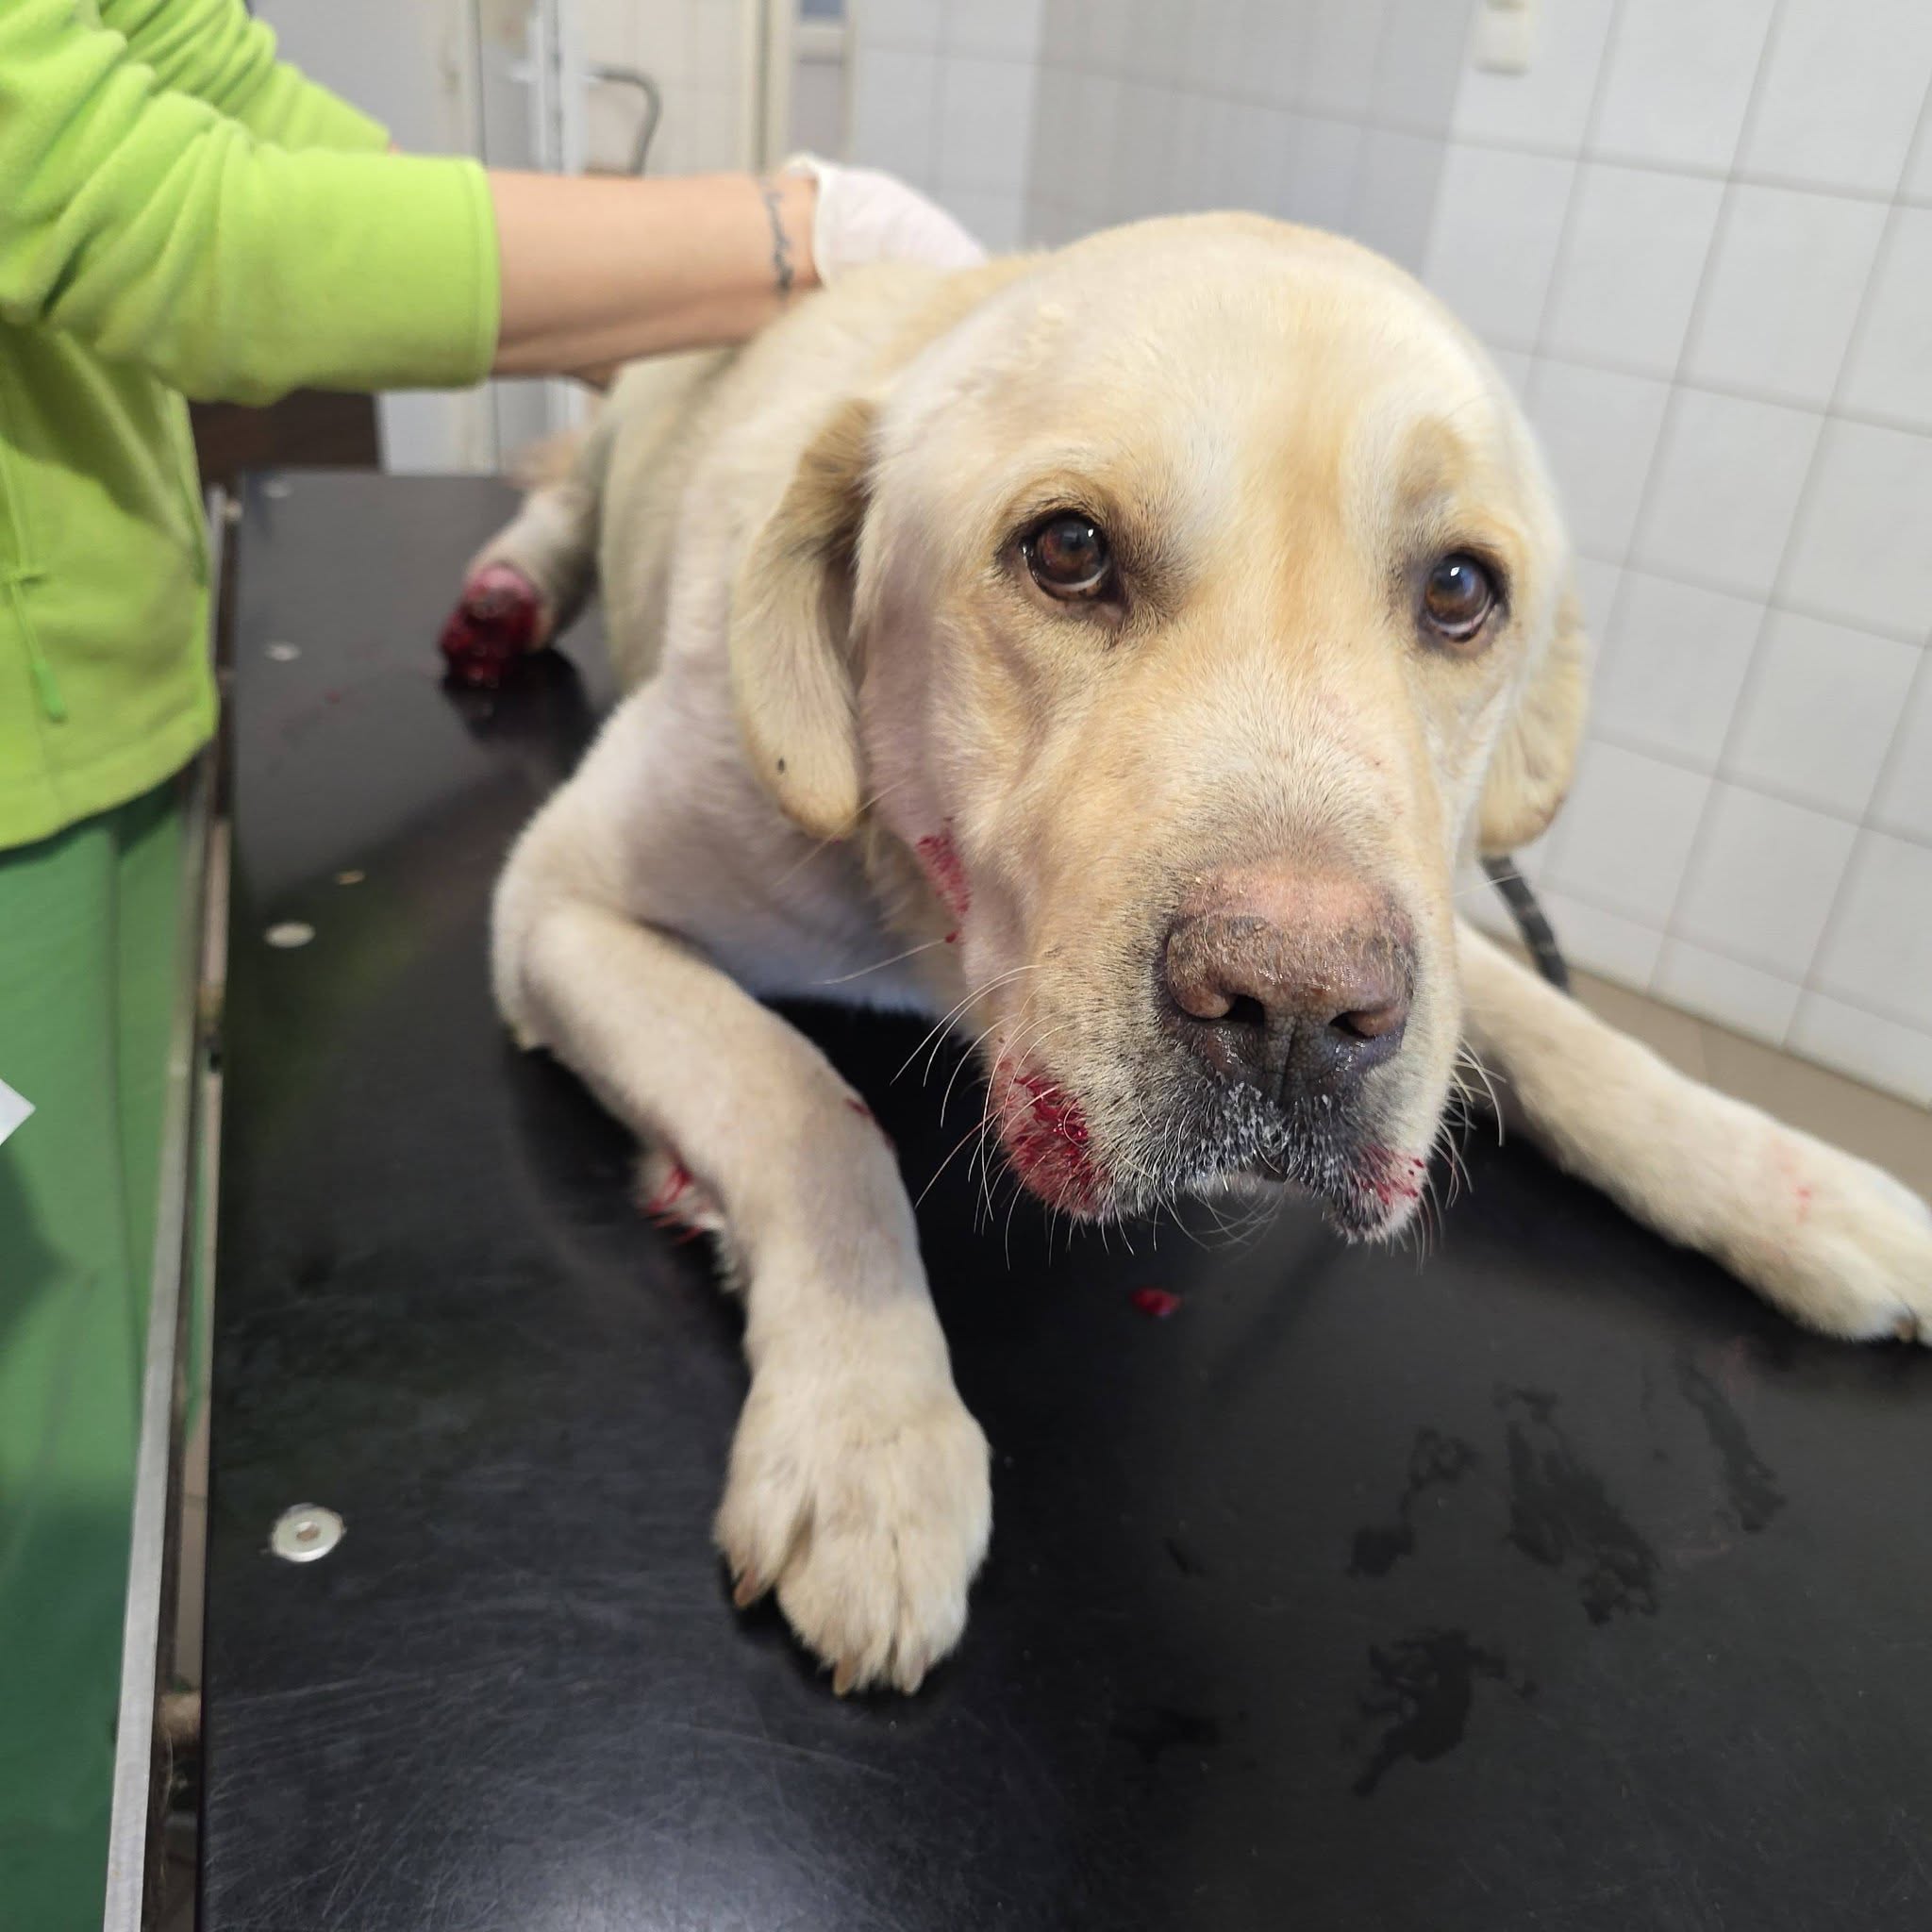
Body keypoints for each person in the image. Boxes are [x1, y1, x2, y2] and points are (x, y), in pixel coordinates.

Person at [0, 2, 981, 1922]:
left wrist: (658, 280)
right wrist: (787, 233)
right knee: (25, 1479)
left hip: (96, 681)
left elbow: (210, 94)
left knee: (112, 1353)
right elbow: (151, 215)